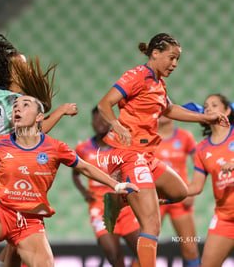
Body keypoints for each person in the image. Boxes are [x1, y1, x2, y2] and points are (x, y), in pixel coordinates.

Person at [0, 58, 139, 267]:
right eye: (15, 106)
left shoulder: (55, 147)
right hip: (2, 210)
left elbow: (84, 167)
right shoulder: (2, 143)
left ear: (39, 118)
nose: (17, 108)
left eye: (25, 105)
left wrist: (116, 184)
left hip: (30, 221)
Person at [97, 33, 230, 267]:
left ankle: (120, 200)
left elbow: (169, 109)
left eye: (178, 59)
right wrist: (117, 125)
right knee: (152, 225)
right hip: (128, 155)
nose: (175, 64)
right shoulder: (138, 75)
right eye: (171, 58)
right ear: (155, 53)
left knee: (180, 192)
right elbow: (104, 103)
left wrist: (206, 117)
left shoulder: (158, 83)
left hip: (146, 157)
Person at [0, 34, 78, 266]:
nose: (27, 69)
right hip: (10, 168)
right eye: (23, 66)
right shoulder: (16, 100)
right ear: (12, 73)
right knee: (23, 231)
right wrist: (61, 111)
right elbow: (40, 128)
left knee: (18, 235)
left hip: (3, 164)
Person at [72, 105, 140, 267]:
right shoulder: (83, 149)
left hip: (125, 206)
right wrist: (84, 192)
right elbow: (76, 174)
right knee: (113, 254)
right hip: (100, 208)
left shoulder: (122, 145)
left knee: (142, 250)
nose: (100, 122)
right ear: (91, 123)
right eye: (96, 118)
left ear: (110, 122)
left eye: (103, 118)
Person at [187, 94, 234, 267]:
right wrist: (167, 193)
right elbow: (195, 187)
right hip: (225, 218)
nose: (208, 108)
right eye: (206, 106)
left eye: (214, 105)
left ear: (227, 111)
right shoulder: (202, 148)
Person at [155, 116, 200, 266]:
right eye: (159, 111)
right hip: (155, 200)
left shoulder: (185, 136)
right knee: (144, 246)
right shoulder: (149, 138)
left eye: (166, 110)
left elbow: (200, 164)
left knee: (190, 247)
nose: (162, 114)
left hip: (181, 199)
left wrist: (191, 190)